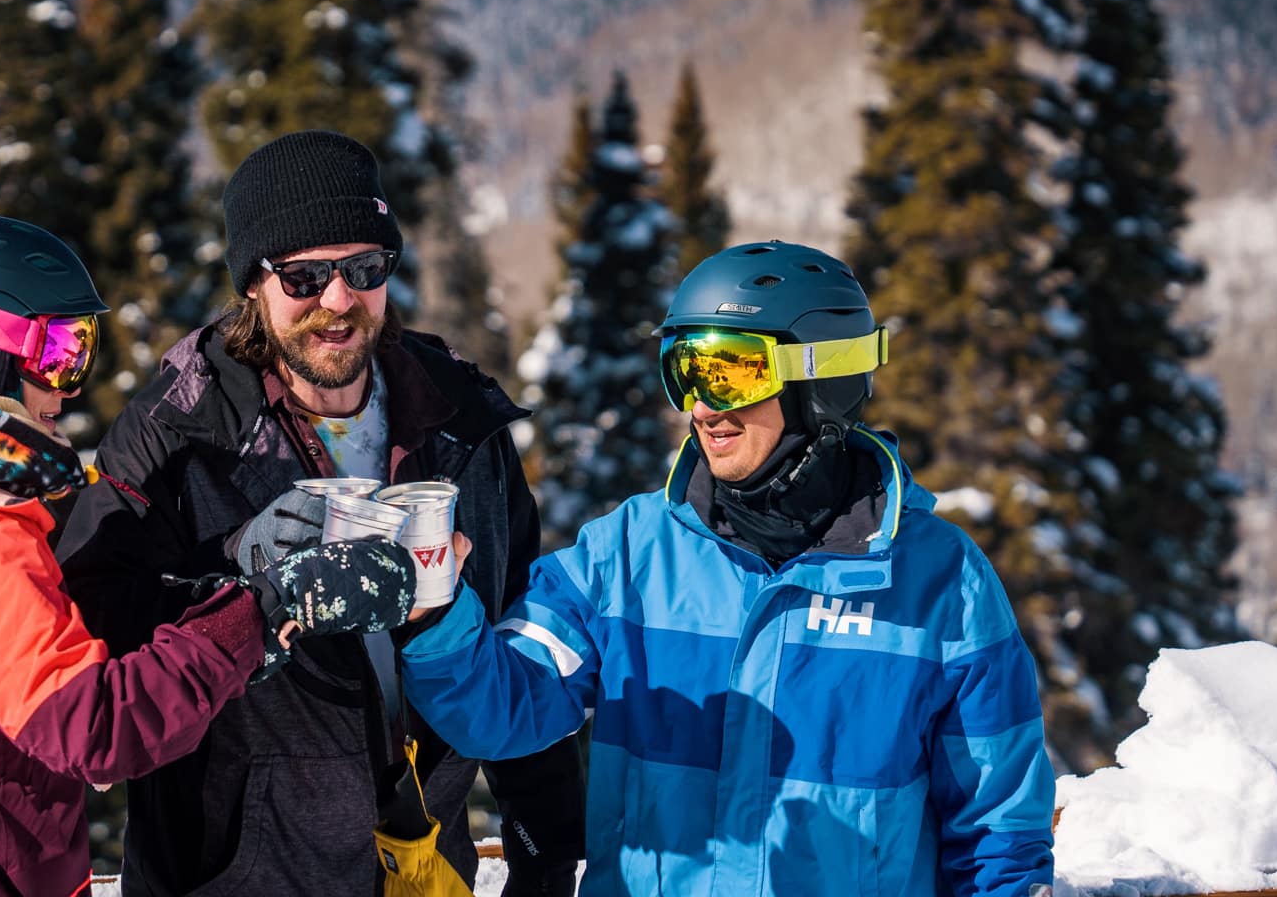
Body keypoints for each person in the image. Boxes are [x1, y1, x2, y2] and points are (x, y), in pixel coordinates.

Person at [0, 213, 417, 897]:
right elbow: (89, 728)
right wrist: (269, 610)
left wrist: (228, 620)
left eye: (80, 350)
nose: (69, 387)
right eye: (56, 352)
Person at [396, 241, 1057, 897]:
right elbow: (498, 712)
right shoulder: (624, 557)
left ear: (820, 380)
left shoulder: (941, 585)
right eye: (684, 370)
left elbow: (998, 833)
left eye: (731, 372)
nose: (702, 406)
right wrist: (436, 611)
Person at [58, 130, 587, 897]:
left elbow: (520, 636)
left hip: (423, 860)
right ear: (252, 283)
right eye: (304, 277)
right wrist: (237, 569)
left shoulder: (459, 417)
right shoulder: (180, 429)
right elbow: (93, 622)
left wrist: (546, 853)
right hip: (238, 873)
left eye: (364, 269)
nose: (339, 301)